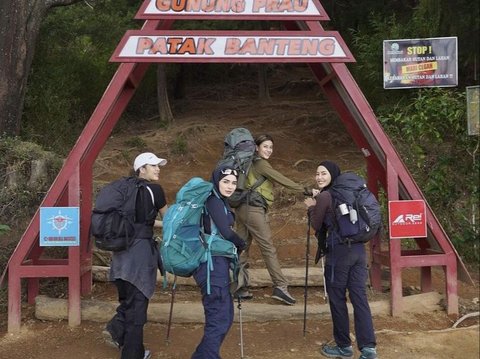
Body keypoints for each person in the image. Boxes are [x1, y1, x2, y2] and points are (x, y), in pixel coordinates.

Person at [304, 160, 378, 359]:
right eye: (317, 173)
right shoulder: (350, 194)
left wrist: (312, 206)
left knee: (337, 299)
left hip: (339, 254)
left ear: (333, 175)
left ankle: (344, 346)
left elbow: (317, 225)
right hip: (359, 251)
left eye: (323, 173)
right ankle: (368, 348)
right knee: (359, 298)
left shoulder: (326, 196)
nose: (319, 177)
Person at [103, 152, 169, 359]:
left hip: (120, 253)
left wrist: (153, 225)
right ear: (141, 169)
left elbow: (140, 222)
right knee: (138, 304)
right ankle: (132, 354)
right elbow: (169, 220)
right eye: (153, 165)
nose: (158, 169)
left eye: (158, 165)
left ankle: (116, 330)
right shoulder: (155, 190)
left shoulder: (124, 189)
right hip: (140, 254)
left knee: (129, 299)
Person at [235, 134, 305, 305]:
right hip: (253, 209)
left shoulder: (248, 163)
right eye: (265, 146)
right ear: (256, 147)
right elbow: (281, 179)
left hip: (241, 208)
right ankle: (281, 287)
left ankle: (238, 287)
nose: (269, 150)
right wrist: (306, 190)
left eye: (271, 147)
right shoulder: (260, 163)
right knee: (268, 248)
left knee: (242, 247)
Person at [191, 165, 246, 359]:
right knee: (218, 317)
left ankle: (203, 355)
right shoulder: (213, 200)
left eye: (233, 182)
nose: (230, 186)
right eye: (225, 181)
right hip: (210, 266)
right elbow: (226, 231)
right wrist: (241, 243)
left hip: (216, 264)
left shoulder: (221, 202)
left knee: (225, 316)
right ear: (216, 181)